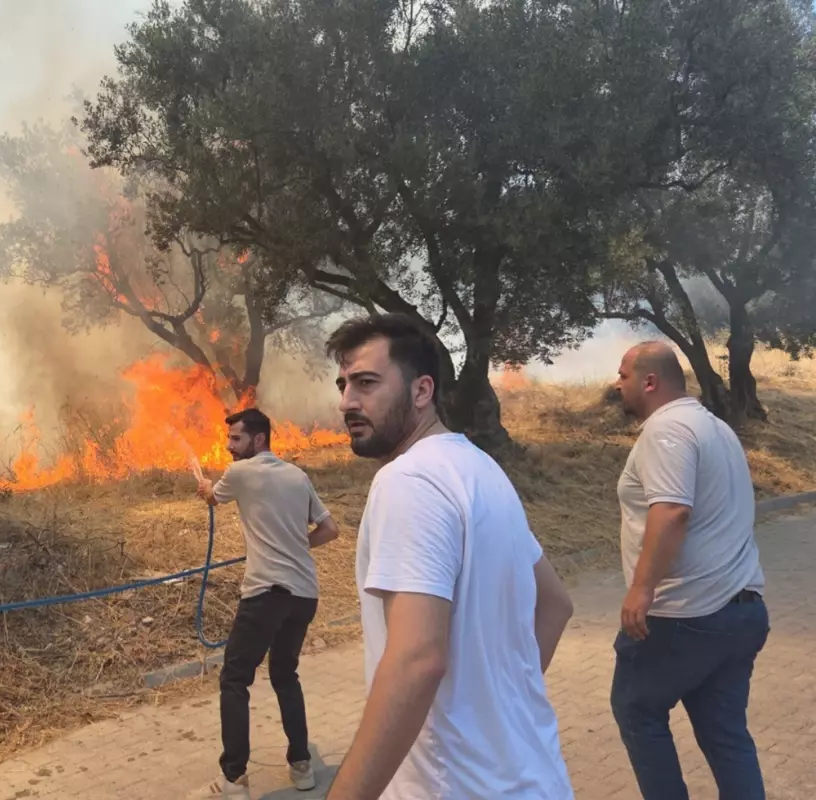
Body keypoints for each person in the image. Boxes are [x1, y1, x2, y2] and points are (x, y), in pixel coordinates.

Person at [323, 314, 576, 800]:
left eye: (367, 383)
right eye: (343, 384)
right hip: (534, 779)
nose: (347, 401)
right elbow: (556, 604)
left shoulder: (408, 481)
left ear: (422, 391)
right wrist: (493, 711)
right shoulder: (479, 468)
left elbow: (416, 659)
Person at [610, 342, 769, 800]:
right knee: (726, 737)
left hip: (685, 616)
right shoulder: (715, 428)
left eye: (623, 375)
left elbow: (673, 510)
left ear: (650, 381)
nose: (617, 383)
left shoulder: (666, 431)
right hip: (740, 610)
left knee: (636, 709)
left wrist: (641, 589)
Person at [195, 408, 341, 799]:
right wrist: (296, 546)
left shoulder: (241, 474)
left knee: (235, 679)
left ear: (259, 440)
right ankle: (302, 765)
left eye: (236, 439)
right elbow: (330, 529)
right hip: (304, 595)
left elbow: (212, 498)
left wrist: (203, 486)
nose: (229, 447)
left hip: (266, 594)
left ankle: (234, 779)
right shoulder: (297, 475)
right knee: (284, 674)